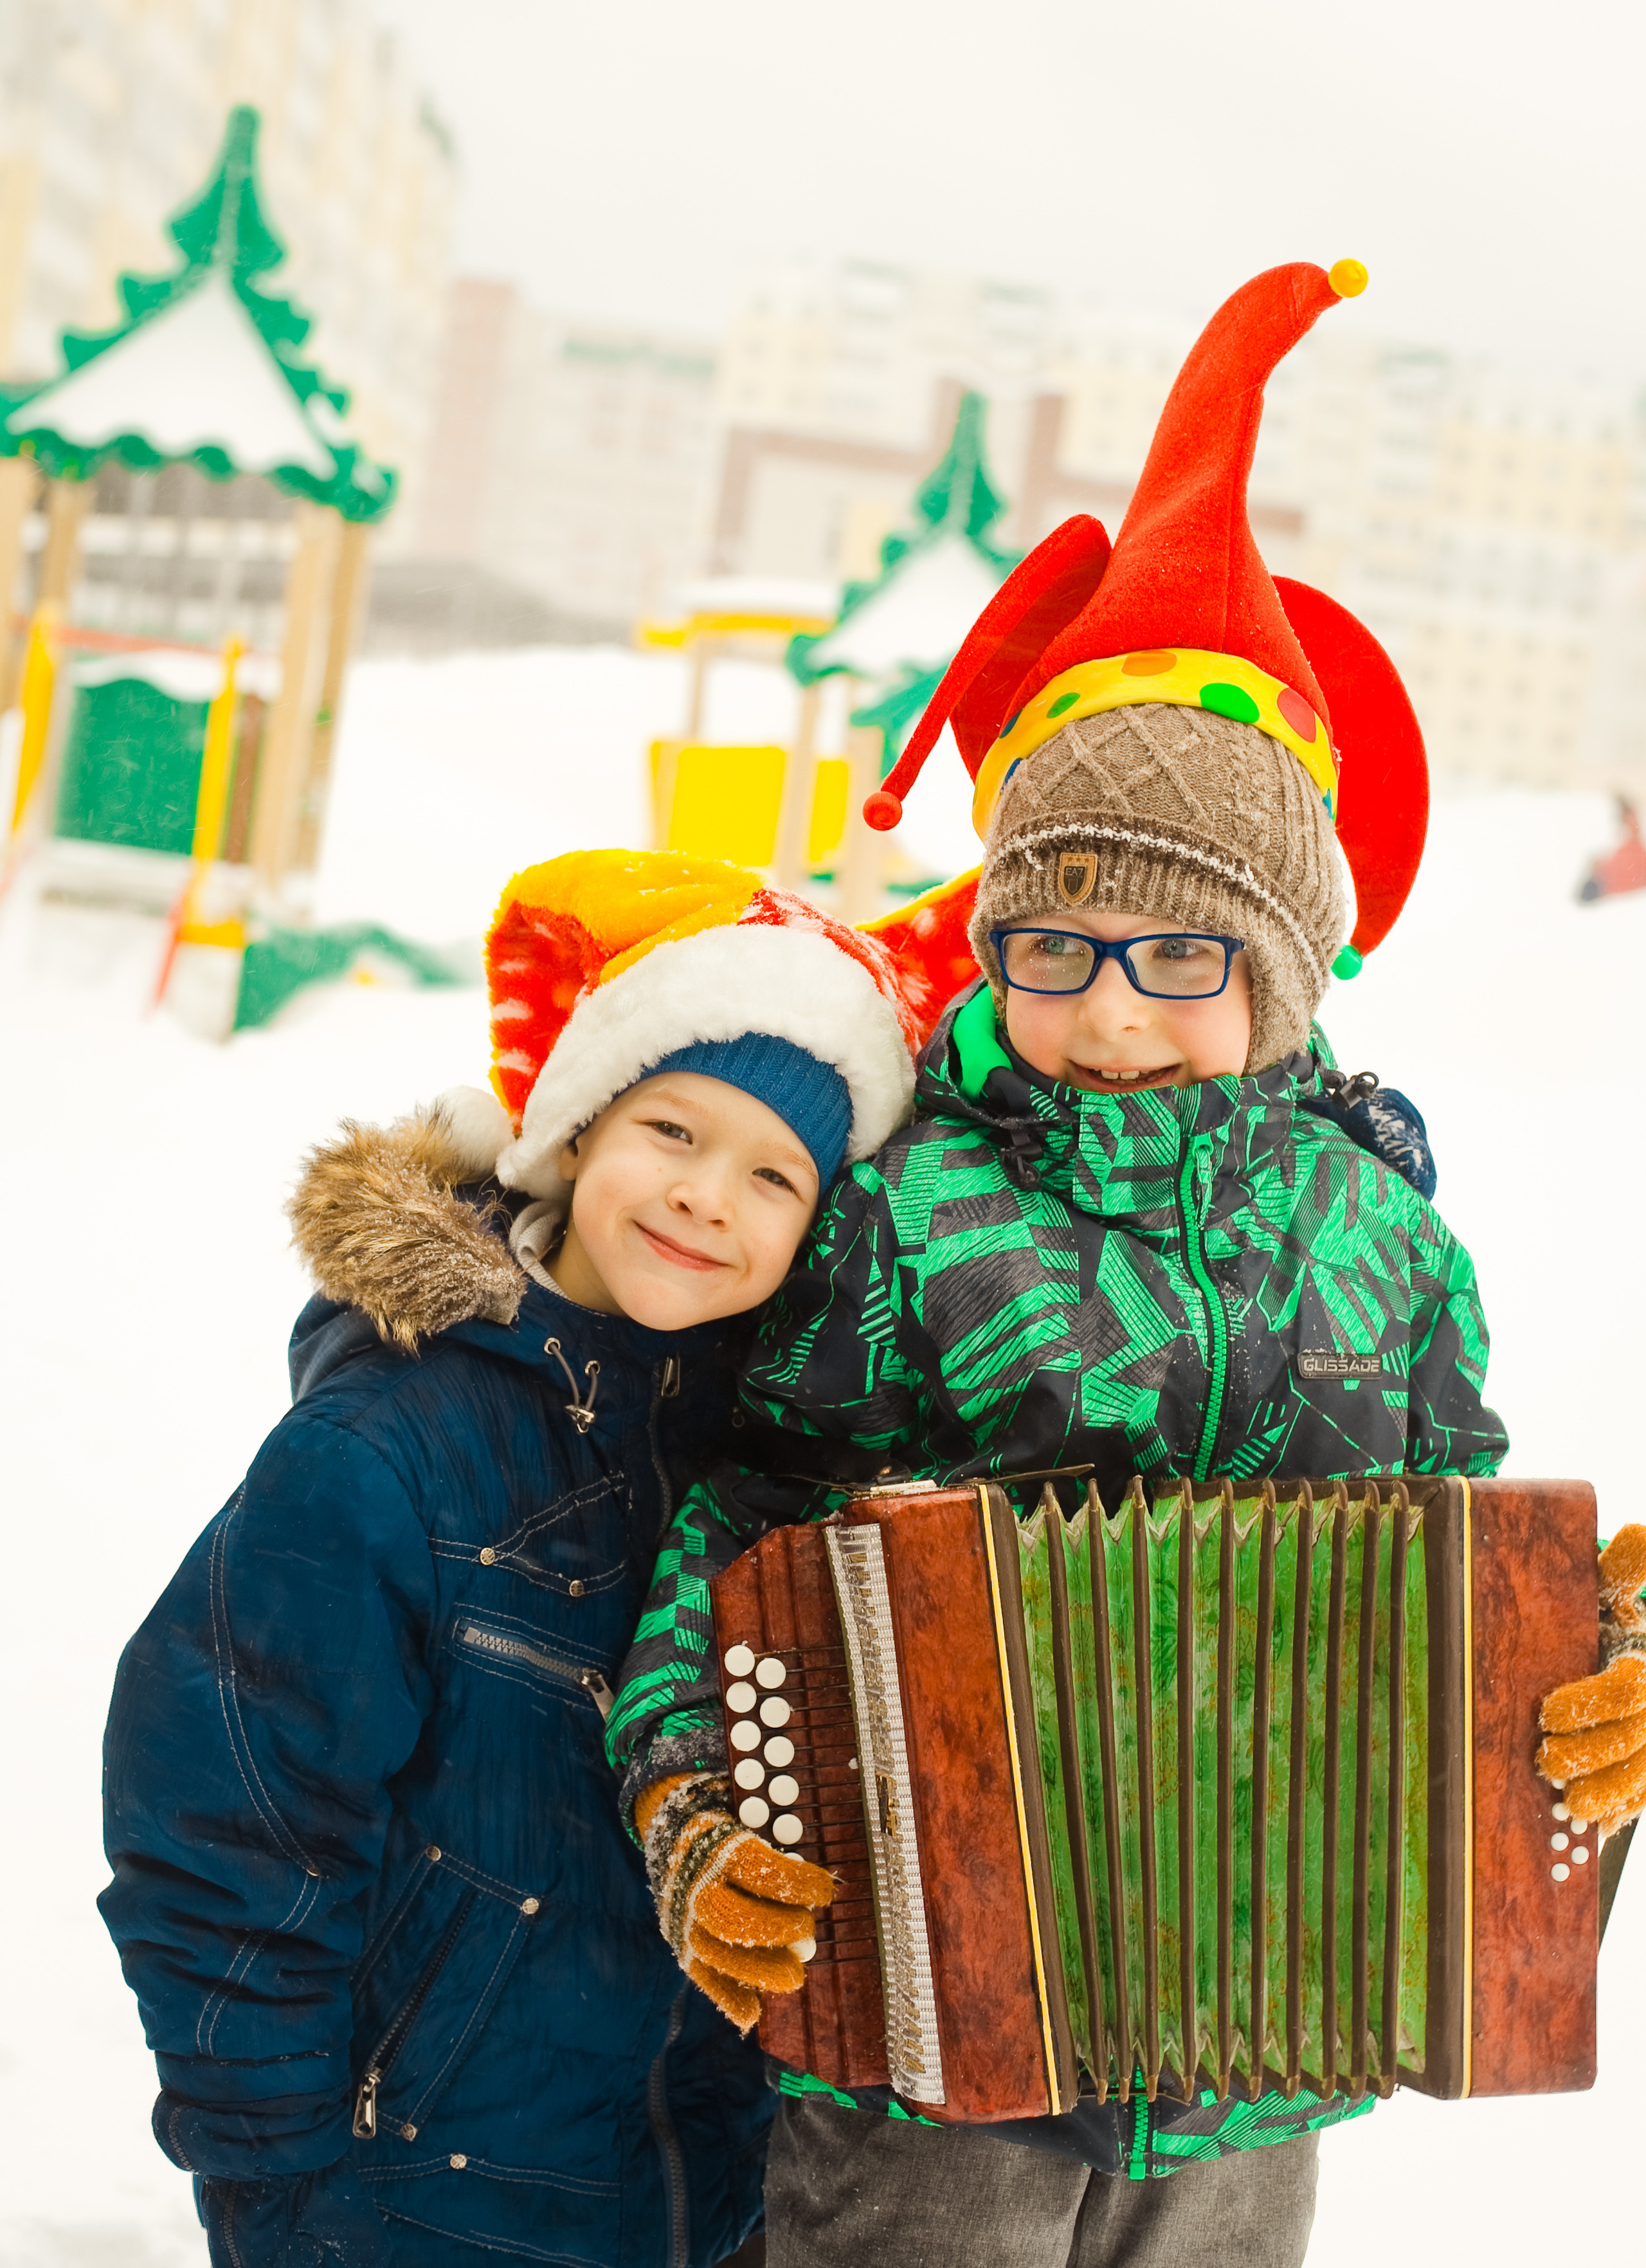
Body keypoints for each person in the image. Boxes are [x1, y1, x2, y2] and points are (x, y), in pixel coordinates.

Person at [606, 264, 1541, 2267]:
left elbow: (1465, 1571)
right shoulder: (905, 1215)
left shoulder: (1389, 1241)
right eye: (1058, 948)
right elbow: (741, 1528)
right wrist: (697, 1794)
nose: (1114, 1015)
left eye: (1184, 957)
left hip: (1264, 2052)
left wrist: (1577, 1695)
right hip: (927, 2050)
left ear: (1286, 971)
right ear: (997, 938)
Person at [98, 848, 976, 2268]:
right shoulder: (385, 1447)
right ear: (573, 1129)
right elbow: (224, 1827)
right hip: (410, 2199)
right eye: (672, 1132)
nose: (706, 1198)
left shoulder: (775, 1475)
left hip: (711, 2198)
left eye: (774, 1176)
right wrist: (276, 2185)